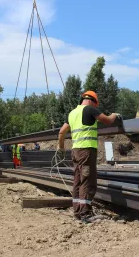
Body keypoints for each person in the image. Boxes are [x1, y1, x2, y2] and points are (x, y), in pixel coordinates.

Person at [57, 90, 120, 222]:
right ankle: (85, 213)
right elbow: (107, 120)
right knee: (88, 180)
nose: (96, 108)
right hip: (86, 150)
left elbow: (61, 132)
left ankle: (77, 211)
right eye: (96, 105)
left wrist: (61, 147)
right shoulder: (89, 109)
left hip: (75, 150)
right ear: (92, 101)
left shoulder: (72, 113)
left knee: (78, 180)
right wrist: (114, 115)